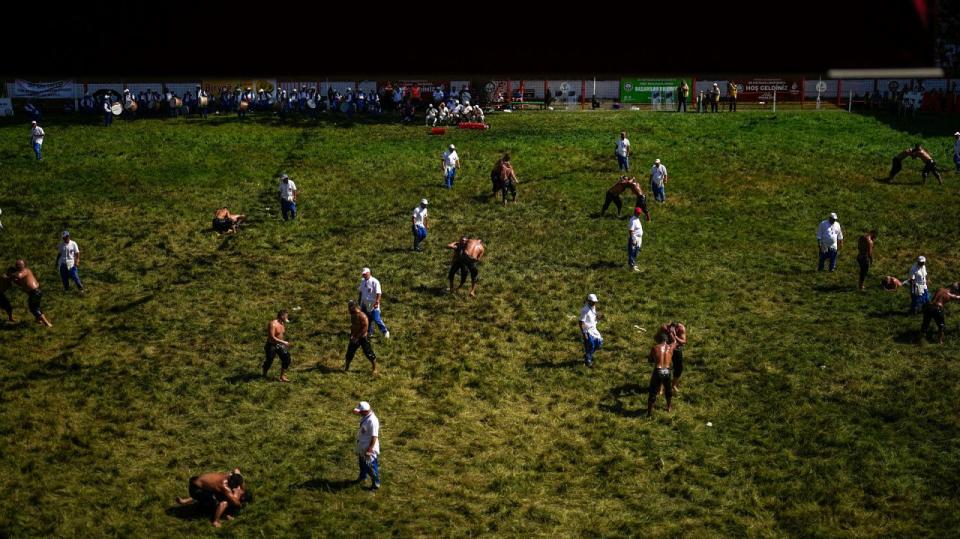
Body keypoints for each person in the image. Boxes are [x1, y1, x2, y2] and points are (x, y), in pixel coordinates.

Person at [175, 469, 250, 528]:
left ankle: (185, 501)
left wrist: (242, 489)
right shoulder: (224, 486)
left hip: (199, 482)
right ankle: (216, 521)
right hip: (196, 489)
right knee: (216, 502)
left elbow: (237, 470)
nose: (237, 487)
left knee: (214, 491)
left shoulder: (231, 475)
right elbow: (235, 502)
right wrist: (237, 496)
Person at [8, 259, 52, 327]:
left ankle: (47, 323)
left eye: (18, 265)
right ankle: (39, 320)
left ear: (23, 265)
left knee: (33, 308)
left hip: (35, 292)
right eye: (17, 265)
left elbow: (19, 276)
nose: (17, 266)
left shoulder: (25, 270)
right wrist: (13, 279)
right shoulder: (23, 273)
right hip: (35, 292)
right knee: (36, 307)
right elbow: (20, 283)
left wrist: (11, 274)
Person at [646, 330, 677, 417]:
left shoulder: (655, 347)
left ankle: (649, 413)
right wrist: (673, 333)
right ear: (666, 340)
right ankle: (669, 407)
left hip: (658, 370)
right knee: (668, 390)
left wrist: (655, 359)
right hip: (667, 370)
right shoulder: (670, 347)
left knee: (652, 392)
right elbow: (675, 342)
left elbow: (650, 360)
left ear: (659, 340)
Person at [352, 401, 381, 490]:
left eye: (360, 411)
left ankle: (375, 485)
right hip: (363, 446)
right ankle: (362, 477)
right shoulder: (365, 416)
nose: (359, 413)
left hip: (369, 448)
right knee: (362, 463)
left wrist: (369, 449)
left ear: (365, 411)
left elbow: (374, 436)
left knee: (371, 467)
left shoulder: (372, 421)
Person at [345, 300, 378, 373]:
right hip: (355, 336)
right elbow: (354, 326)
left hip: (363, 337)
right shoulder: (352, 315)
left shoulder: (362, 315)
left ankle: (374, 368)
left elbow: (365, 328)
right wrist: (352, 335)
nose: (349, 309)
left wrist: (357, 337)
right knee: (349, 352)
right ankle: (346, 367)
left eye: (350, 307)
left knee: (368, 353)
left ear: (354, 307)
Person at [358, 268, 390, 338]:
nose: (364, 275)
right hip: (364, 303)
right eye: (363, 274)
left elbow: (379, 293)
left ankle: (385, 331)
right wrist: (359, 300)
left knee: (376, 318)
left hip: (372, 303)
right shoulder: (362, 281)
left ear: (369, 273)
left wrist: (377, 302)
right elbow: (360, 291)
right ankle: (369, 332)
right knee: (366, 319)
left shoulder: (375, 282)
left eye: (365, 274)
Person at [263, 310, 291, 382]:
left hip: (280, 345)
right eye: (286, 316)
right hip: (271, 345)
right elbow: (272, 337)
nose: (287, 318)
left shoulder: (282, 323)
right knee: (269, 360)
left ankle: (282, 376)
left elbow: (280, 335)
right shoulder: (272, 324)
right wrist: (284, 342)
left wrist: (283, 344)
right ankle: (264, 373)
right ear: (282, 316)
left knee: (287, 359)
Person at [579, 293, 603, 368]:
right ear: (588, 301)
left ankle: (588, 354)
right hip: (588, 330)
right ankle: (588, 360)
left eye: (595, 302)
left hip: (594, 328)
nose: (594, 303)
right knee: (591, 344)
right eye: (593, 302)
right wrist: (584, 333)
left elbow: (593, 316)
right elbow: (581, 322)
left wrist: (598, 317)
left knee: (599, 343)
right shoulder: (584, 310)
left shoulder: (593, 307)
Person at [667, 322, 688, 393]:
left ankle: (673, 385)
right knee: (663, 368)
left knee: (679, 368)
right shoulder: (665, 328)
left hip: (676, 349)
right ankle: (661, 387)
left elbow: (683, 341)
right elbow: (656, 337)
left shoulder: (681, 328)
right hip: (667, 348)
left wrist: (675, 336)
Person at [627, 207, 644, 271]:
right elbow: (630, 231)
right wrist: (632, 239)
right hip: (635, 239)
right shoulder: (633, 220)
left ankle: (633, 264)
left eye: (639, 213)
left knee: (636, 251)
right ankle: (631, 267)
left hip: (639, 238)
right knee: (632, 252)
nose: (639, 214)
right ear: (635, 212)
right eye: (638, 213)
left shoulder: (637, 219)